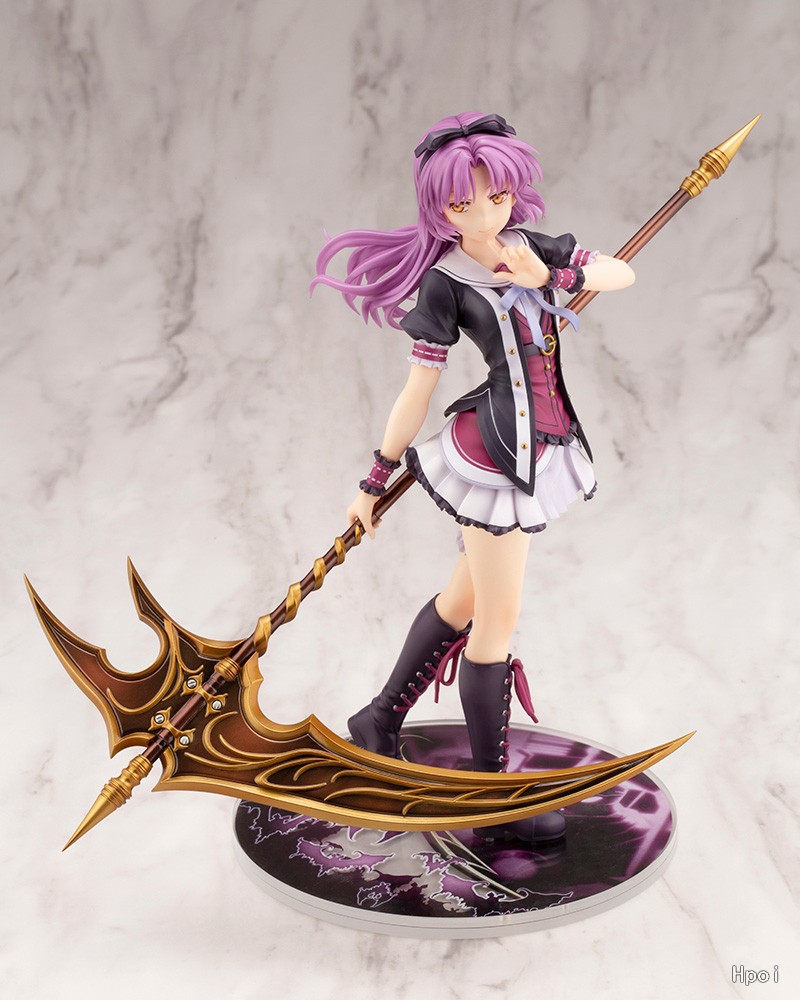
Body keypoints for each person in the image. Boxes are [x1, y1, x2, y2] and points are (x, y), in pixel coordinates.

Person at [312, 112, 635, 843]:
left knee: (463, 599)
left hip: (543, 447)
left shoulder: (532, 248)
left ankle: (379, 718)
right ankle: (493, 799)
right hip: (494, 459)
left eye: (495, 196)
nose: (484, 214)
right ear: (441, 208)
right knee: (497, 619)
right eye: (463, 204)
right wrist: (374, 477)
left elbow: (621, 271)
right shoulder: (446, 282)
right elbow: (416, 390)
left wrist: (553, 275)